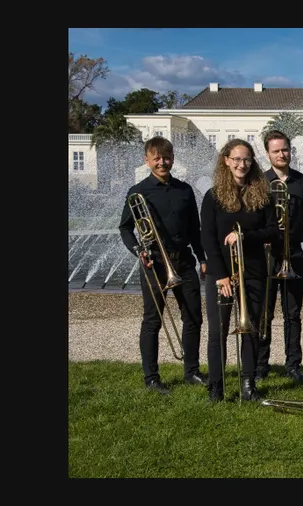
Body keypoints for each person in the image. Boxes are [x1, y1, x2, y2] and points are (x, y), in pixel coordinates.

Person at [117, 136, 208, 394]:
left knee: (193, 317)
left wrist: (202, 258)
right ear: (147, 161)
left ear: (173, 159)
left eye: (166, 157)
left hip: (184, 261)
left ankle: (191, 371)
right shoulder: (138, 192)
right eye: (156, 158)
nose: (162, 162)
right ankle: (152, 378)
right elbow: (125, 228)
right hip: (154, 262)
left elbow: (195, 229)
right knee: (152, 320)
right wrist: (138, 250)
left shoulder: (185, 190)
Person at [200, 139, 280, 402]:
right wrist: (220, 274)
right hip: (221, 273)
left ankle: (248, 385)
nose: (241, 164)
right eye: (236, 159)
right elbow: (208, 239)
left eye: (246, 159)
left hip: (253, 271)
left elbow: (273, 231)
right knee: (218, 331)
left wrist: (244, 235)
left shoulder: (262, 195)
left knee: (251, 329)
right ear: (226, 161)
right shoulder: (213, 197)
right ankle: (216, 387)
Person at [257, 130, 303, 384]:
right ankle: (261, 365)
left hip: (293, 254)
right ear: (268, 154)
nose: (281, 154)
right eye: (276, 151)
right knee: (265, 313)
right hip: (265, 255)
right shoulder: (259, 182)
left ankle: (293, 364)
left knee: (293, 314)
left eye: (285, 149)